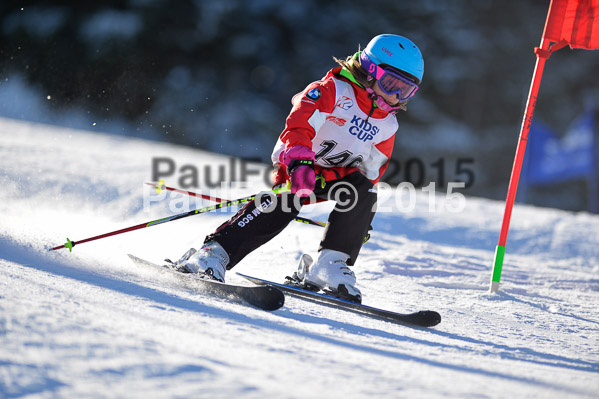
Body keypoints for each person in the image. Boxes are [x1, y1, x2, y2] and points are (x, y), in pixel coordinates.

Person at [169, 34, 424, 303]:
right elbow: (298, 125)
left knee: (362, 190)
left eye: (406, 90)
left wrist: (360, 218)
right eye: (391, 84)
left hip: (333, 177)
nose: (396, 96)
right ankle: (214, 252)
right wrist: (300, 162)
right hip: (298, 166)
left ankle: (329, 266)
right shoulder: (331, 90)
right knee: (287, 201)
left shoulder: (388, 124)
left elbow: (372, 170)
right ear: (370, 70)